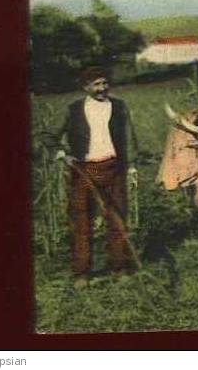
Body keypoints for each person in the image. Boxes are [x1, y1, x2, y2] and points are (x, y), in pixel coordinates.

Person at [57, 67, 138, 286]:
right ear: (85, 87)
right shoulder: (74, 109)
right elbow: (51, 135)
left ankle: (119, 268)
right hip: (83, 171)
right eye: (96, 84)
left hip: (114, 168)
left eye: (104, 83)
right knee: (82, 221)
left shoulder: (119, 107)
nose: (102, 88)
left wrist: (131, 167)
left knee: (117, 219)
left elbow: (129, 137)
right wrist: (63, 153)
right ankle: (82, 273)